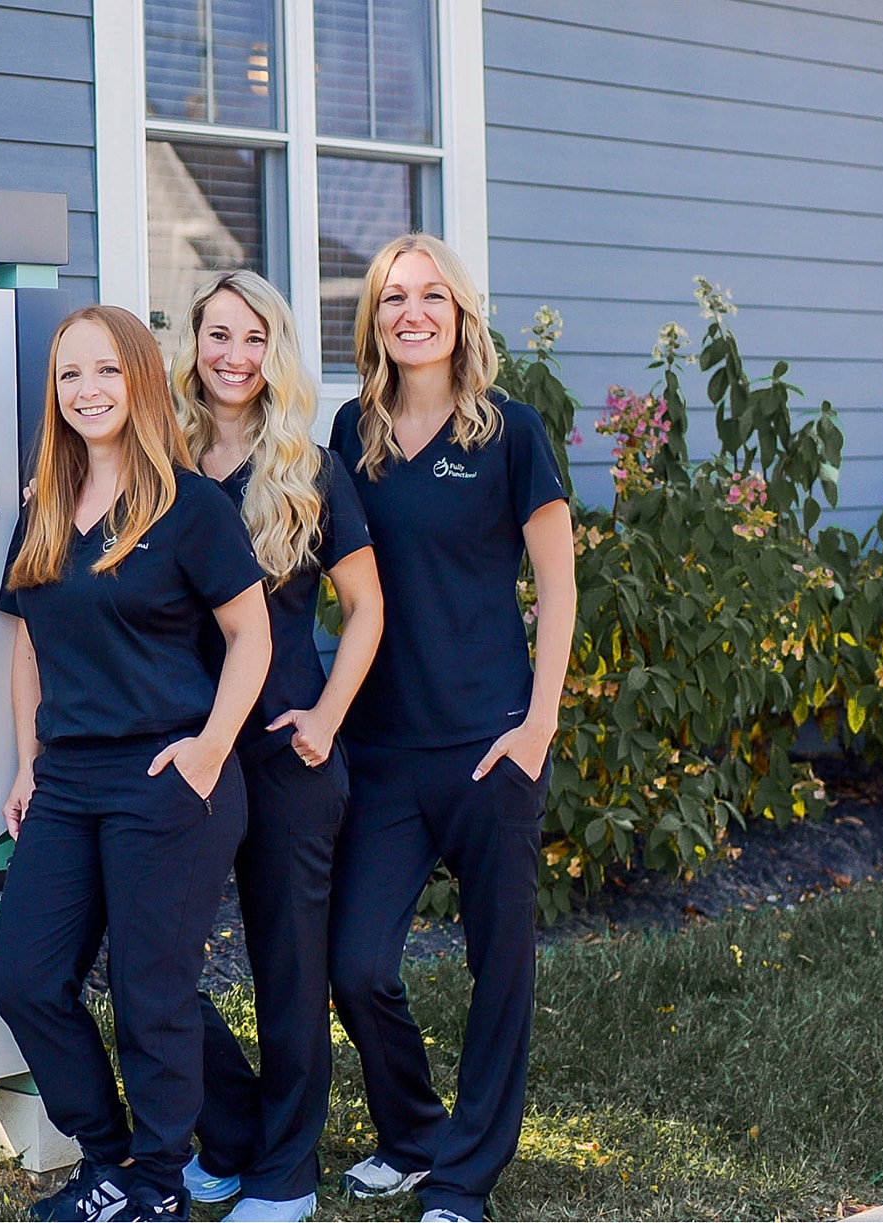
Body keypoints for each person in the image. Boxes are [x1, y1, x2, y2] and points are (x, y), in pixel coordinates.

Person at [0, 304, 273, 1223]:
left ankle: (158, 1183)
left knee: (152, 989)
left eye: (107, 370)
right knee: (27, 979)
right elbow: (27, 643)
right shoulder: (42, 505)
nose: (87, 390)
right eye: (70, 374)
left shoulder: (190, 506)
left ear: (142, 379)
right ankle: (110, 1156)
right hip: (68, 778)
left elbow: (250, 635)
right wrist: (26, 762)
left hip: (169, 773)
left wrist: (210, 747)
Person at [324, 234, 576, 1223]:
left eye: (432, 295)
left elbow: (556, 584)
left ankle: (466, 1175)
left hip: (491, 741)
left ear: (462, 312)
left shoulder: (511, 432)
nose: (412, 311)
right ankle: (416, 1132)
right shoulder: (353, 432)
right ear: (375, 319)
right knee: (358, 962)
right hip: (384, 750)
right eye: (394, 298)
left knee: (497, 967)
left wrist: (539, 725)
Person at [167, 272, 384, 1223]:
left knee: (287, 964)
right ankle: (238, 1128)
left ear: (277, 351)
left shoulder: (308, 468)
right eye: (219, 335)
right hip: (181, 745)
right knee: (150, 955)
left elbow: (366, 608)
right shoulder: (158, 462)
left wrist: (329, 719)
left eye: (255, 338)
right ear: (195, 345)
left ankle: (286, 1172)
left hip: (284, 744)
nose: (234, 356)